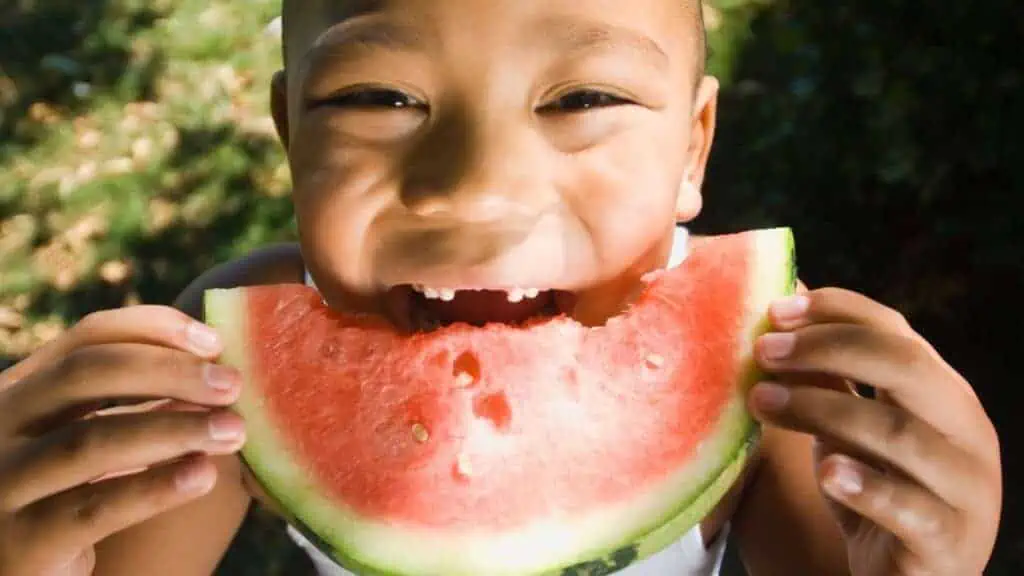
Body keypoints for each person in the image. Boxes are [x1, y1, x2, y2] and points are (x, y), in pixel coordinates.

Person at [0, 0, 1002, 574]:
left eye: (582, 98)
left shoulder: (757, 371)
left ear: (691, 147)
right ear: (288, 132)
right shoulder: (223, 361)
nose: (474, 188)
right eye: (376, 97)